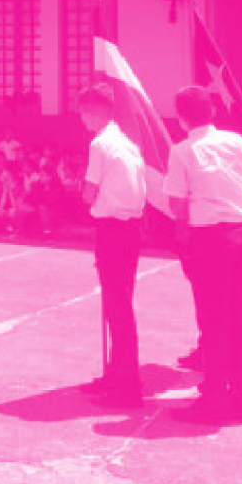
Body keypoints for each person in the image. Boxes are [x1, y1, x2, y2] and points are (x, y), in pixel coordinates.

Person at [164, 85, 242, 425]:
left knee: (214, 319)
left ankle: (215, 398)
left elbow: (177, 204)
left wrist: (184, 229)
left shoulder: (182, 151)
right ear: (213, 112)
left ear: (181, 118)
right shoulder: (236, 141)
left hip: (211, 239)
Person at [76, 83, 147, 409]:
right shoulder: (128, 143)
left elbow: (89, 192)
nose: (82, 120)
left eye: (83, 114)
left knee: (118, 308)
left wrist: (90, 198)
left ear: (93, 112)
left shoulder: (100, 144)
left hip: (112, 230)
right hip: (131, 229)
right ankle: (116, 373)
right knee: (119, 304)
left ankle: (127, 385)